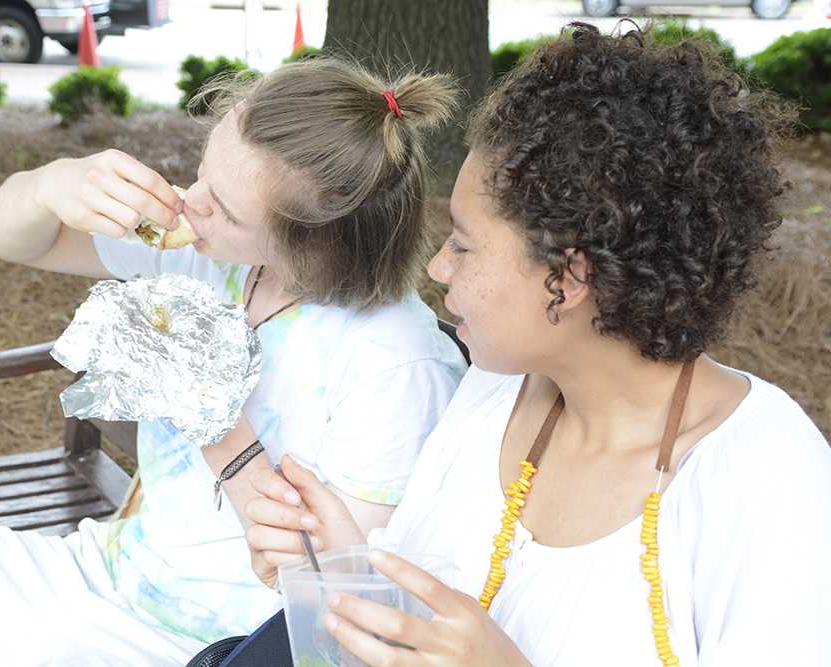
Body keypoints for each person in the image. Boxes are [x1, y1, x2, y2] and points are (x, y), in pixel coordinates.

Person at [0, 59, 468, 666]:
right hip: (100, 570)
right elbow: (3, 236)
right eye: (201, 174)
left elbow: (330, 595)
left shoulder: (396, 364)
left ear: (317, 242)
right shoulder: (217, 259)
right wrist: (49, 184)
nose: (190, 202)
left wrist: (213, 416)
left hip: (203, 643)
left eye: (224, 206)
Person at [245, 23, 831, 667]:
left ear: (569, 277)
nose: (439, 267)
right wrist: (341, 566)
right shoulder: (495, 392)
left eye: (464, 245)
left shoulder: (768, 478)